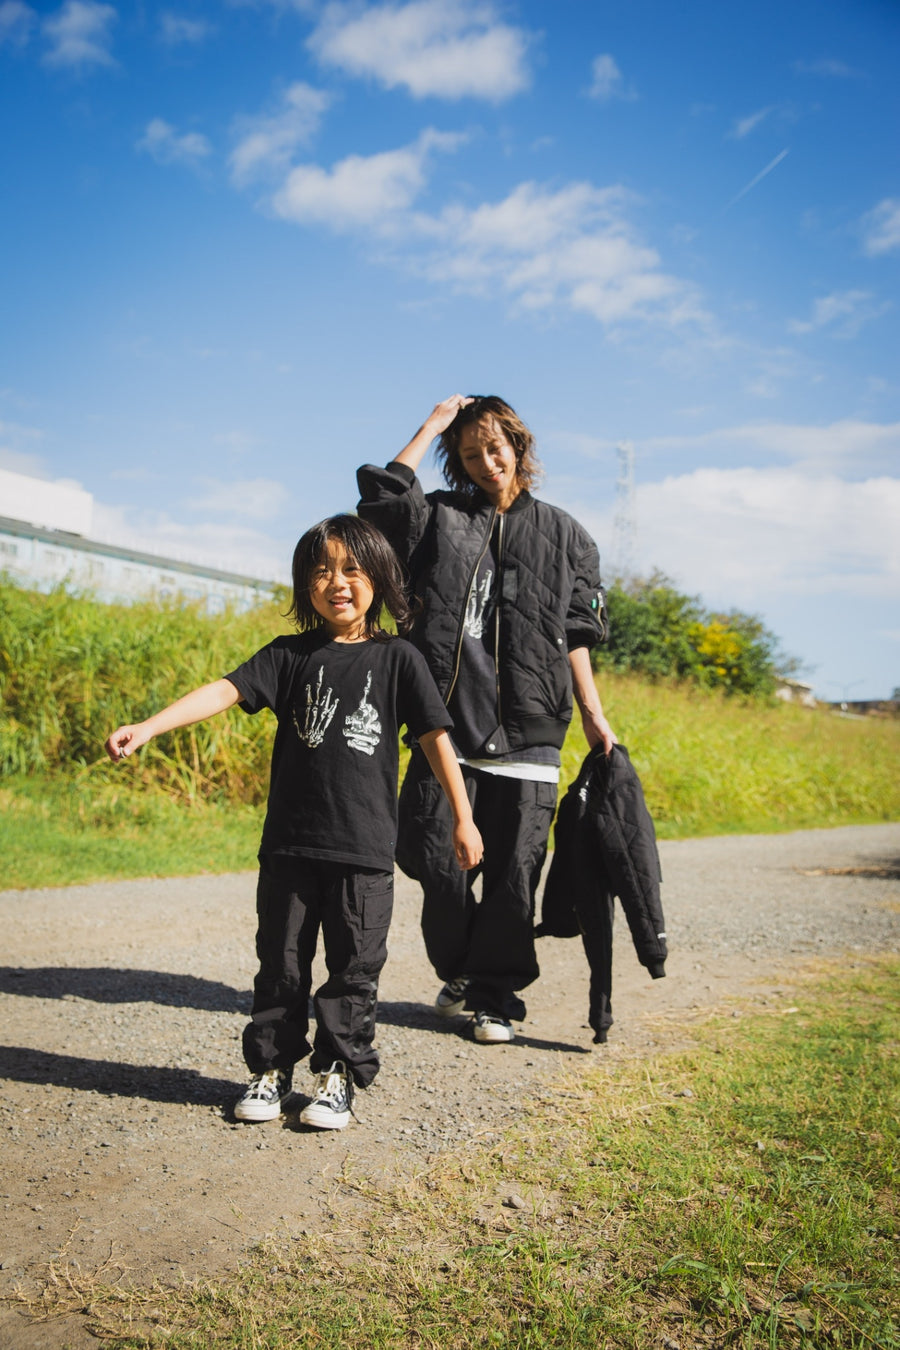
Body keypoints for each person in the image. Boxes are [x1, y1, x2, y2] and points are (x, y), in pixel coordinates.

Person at [105, 515, 482, 1130]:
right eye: (322, 570)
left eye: (352, 570)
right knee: (280, 964)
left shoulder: (399, 659)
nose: (337, 582)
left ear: (380, 580)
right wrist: (149, 726)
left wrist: (463, 820)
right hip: (289, 846)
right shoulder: (289, 656)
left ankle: (337, 1077)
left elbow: (437, 740)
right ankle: (271, 1071)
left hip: (363, 852)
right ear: (305, 585)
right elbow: (225, 690)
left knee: (354, 969)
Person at [357, 394, 615, 1045]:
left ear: (519, 446)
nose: (485, 462)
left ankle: (494, 997)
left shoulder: (567, 534)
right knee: (427, 849)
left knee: (512, 871)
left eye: (494, 447)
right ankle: (467, 970)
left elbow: (579, 633)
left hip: (532, 729)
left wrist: (592, 715)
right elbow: (384, 497)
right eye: (470, 454)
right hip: (446, 727)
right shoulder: (438, 518)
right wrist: (432, 425)